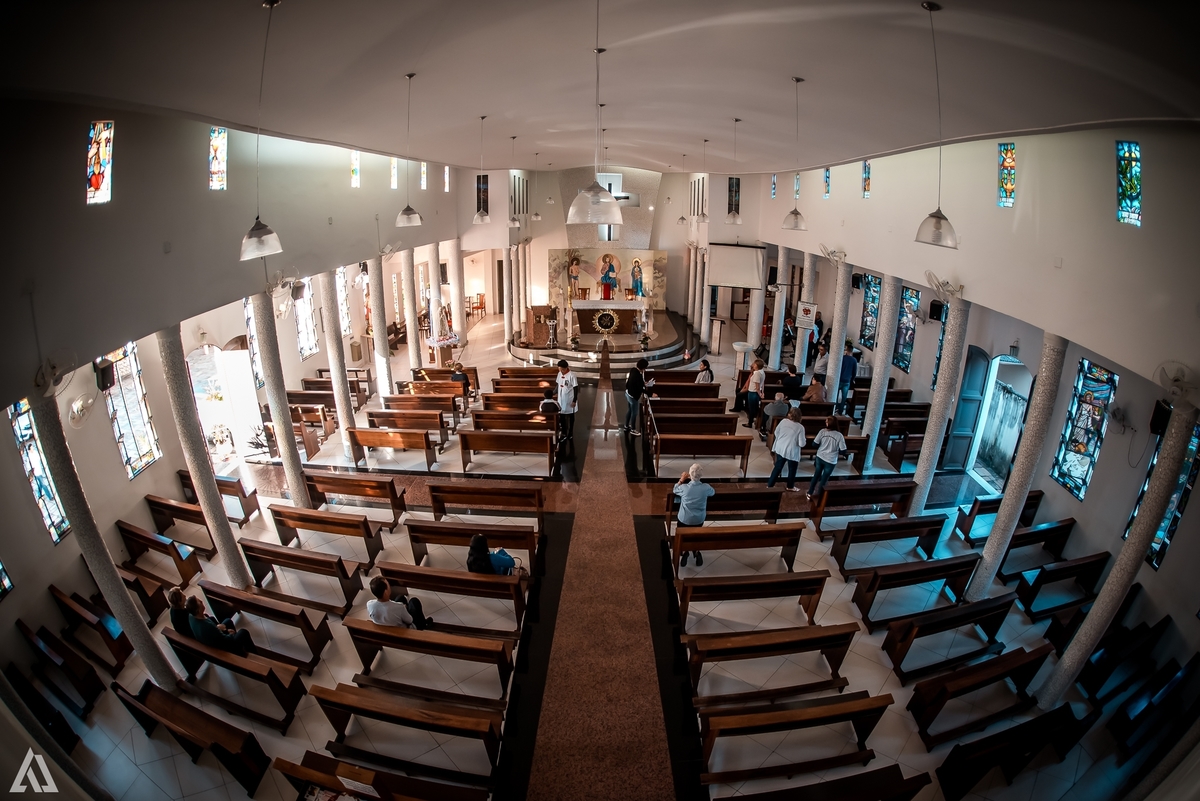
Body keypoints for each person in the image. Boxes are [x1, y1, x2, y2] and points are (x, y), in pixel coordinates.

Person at [674, 463, 715, 567]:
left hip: (684, 519)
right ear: (701, 475)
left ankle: (684, 551)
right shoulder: (706, 488)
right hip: (698, 519)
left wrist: (682, 479)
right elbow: (713, 492)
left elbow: (675, 489)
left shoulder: (684, 488)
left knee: (683, 533)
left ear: (690, 475)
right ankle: (696, 551)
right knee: (696, 534)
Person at [186, 595, 254, 656]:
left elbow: (215, 632)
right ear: (198, 610)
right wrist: (231, 634)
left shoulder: (191, 616)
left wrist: (220, 628)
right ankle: (249, 653)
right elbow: (224, 640)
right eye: (199, 602)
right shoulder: (207, 626)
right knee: (243, 632)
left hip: (214, 639)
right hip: (221, 648)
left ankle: (240, 647)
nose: (201, 601)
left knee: (228, 621)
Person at [367, 576, 432, 630]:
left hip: (388, 626)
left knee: (400, 598)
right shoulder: (399, 607)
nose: (389, 586)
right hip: (404, 631)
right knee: (414, 601)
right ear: (385, 592)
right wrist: (404, 609)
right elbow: (410, 620)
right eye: (388, 584)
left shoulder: (369, 604)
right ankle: (423, 625)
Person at [808, 416, 848, 500]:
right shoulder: (839, 435)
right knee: (824, 479)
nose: (825, 423)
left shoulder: (822, 432)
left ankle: (810, 493)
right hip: (831, 460)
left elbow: (814, 444)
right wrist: (835, 450)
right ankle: (819, 496)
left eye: (826, 422)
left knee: (816, 475)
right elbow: (843, 450)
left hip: (820, 457)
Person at [767, 408, 807, 491]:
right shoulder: (800, 427)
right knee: (792, 469)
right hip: (791, 450)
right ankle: (790, 486)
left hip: (780, 447)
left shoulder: (783, 421)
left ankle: (770, 485)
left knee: (778, 467)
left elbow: (776, 432)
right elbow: (801, 444)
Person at [622, 357, 653, 436]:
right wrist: (651, 394)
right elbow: (640, 389)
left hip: (628, 393)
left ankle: (626, 426)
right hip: (633, 397)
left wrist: (643, 383)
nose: (645, 370)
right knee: (634, 413)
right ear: (643, 368)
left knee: (629, 410)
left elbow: (636, 382)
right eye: (645, 368)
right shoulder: (638, 376)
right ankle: (633, 429)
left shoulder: (633, 370)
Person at [556, 359, 579, 440]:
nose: (561, 371)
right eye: (560, 369)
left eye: (562, 369)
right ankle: (564, 432)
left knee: (570, 415)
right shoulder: (559, 374)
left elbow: (576, 388)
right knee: (562, 415)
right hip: (561, 399)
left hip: (569, 399)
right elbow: (558, 384)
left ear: (566, 368)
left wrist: (574, 400)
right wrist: (554, 392)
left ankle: (571, 432)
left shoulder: (572, 375)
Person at [741, 359, 766, 429]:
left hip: (753, 392)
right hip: (756, 392)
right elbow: (762, 384)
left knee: (752, 408)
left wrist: (760, 394)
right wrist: (762, 392)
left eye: (754, 364)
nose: (753, 365)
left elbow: (757, 386)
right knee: (755, 407)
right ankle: (755, 421)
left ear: (757, 366)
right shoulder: (762, 372)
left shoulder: (757, 374)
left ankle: (750, 423)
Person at [836, 342, 858, 415]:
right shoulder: (854, 360)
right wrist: (853, 379)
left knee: (836, 394)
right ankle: (841, 410)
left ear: (846, 350)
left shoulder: (842, 358)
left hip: (840, 379)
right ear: (852, 351)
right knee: (844, 397)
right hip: (847, 381)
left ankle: (835, 407)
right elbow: (854, 372)